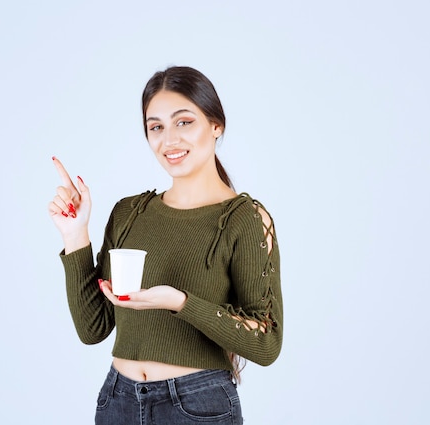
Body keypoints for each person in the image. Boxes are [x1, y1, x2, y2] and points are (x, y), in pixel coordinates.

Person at [48, 66, 283, 425]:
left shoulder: (245, 219)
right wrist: (75, 234)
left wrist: (180, 302)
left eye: (184, 122)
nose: (169, 140)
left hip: (198, 405)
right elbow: (92, 328)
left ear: (216, 125)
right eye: (156, 127)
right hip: (118, 400)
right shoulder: (129, 212)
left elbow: (266, 343)